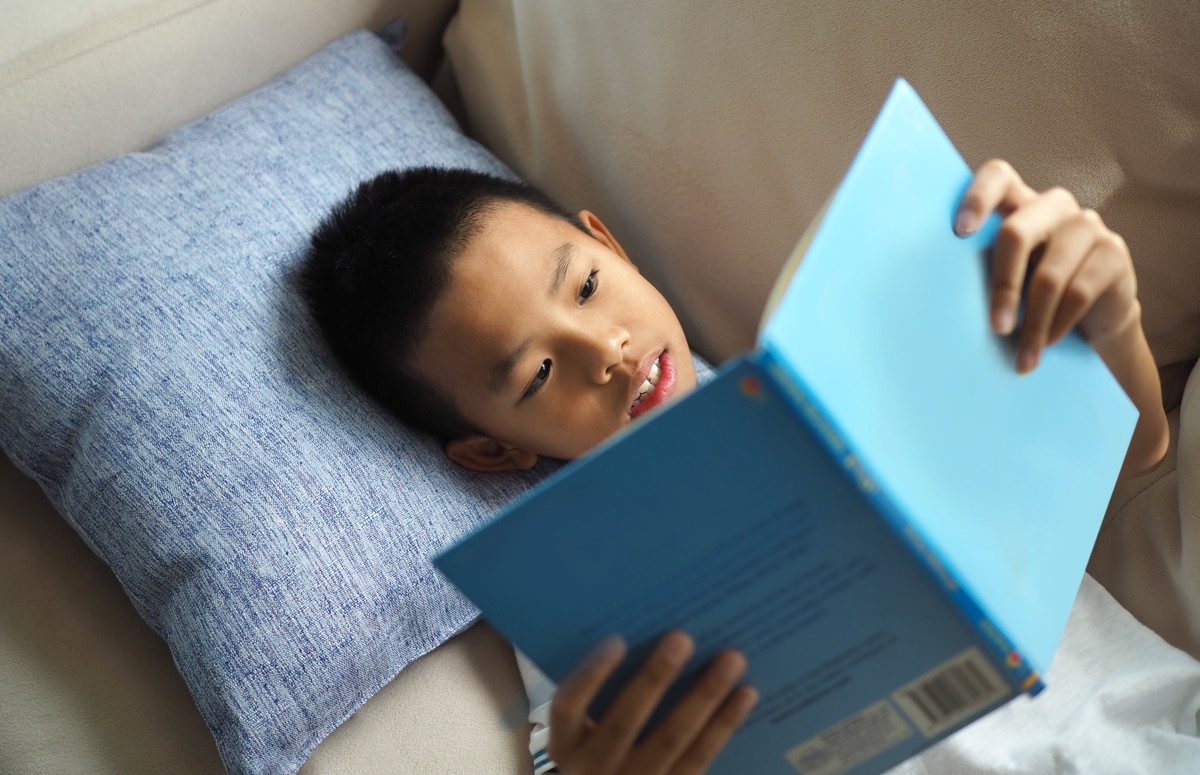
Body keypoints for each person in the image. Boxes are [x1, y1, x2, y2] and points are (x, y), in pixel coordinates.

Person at [299, 161, 1169, 775]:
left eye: (589, 287)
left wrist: (1111, 315)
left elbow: (1135, 454)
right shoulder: (575, 598)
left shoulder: (845, 355)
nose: (604, 350)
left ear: (610, 243)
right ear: (492, 449)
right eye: (535, 375)